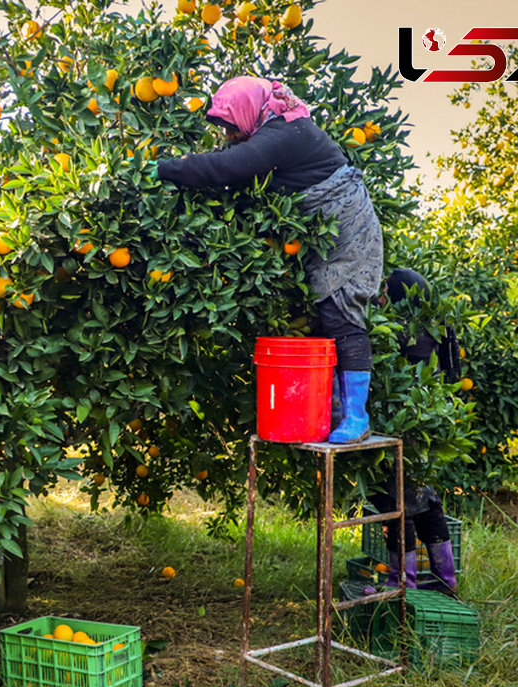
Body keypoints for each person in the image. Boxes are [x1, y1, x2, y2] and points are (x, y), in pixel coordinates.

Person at [154, 76, 383, 443]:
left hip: (347, 228)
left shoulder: (286, 132)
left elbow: (227, 167)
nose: (228, 135)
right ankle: (337, 409)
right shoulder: (277, 128)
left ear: (248, 110)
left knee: (341, 311)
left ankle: (357, 416)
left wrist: (165, 169)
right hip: (323, 231)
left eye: (230, 126)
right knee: (322, 315)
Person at [367, 268, 460, 595]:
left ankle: (400, 583)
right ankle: (446, 580)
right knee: (425, 498)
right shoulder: (431, 326)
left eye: (385, 292)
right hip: (425, 424)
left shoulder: (403, 331)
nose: (380, 297)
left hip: (401, 424)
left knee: (395, 500)